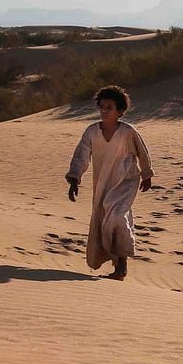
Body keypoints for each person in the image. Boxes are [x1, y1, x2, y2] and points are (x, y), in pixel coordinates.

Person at [65, 85, 153, 280]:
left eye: (109, 107)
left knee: (117, 216)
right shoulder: (92, 132)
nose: (104, 111)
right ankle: (116, 264)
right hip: (103, 183)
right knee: (104, 218)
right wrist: (74, 179)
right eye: (102, 107)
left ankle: (122, 267)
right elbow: (81, 155)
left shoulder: (128, 132)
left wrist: (147, 174)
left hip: (126, 182)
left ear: (120, 111)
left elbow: (142, 152)